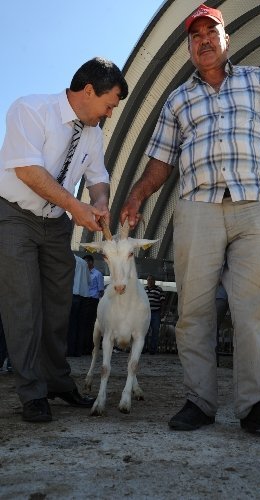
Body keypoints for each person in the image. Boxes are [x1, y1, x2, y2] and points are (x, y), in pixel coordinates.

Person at [120, 4, 260, 437]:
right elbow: (160, 161)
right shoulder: (177, 99)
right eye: (195, 35)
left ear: (227, 40)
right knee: (195, 310)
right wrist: (136, 195)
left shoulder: (257, 80)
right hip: (196, 208)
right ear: (188, 47)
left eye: (212, 32)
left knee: (256, 305)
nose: (203, 40)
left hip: (252, 205)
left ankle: (256, 404)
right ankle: (199, 402)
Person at [0, 57, 128, 422]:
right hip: (13, 216)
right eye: (109, 104)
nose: (109, 114)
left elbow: (97, 175)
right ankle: (31, 392)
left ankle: (57, 381)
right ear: (89, 91)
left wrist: (100, 200)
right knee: (23, 305)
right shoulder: (30, 109)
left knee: (59, 305)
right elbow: (28, 170)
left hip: (55, 224)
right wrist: (75, 205)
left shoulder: (93, 132)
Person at [67, 255, 91, 357]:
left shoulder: (68, 259)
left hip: (73, 294)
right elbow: (89, 281)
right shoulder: (83, 262)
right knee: (81, 325)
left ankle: (70, 350)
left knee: (71, 324)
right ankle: (78, 351)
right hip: (84, 297)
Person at [82, 254, 104, 355]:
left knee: (90, 325)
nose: (84, 264)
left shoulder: (98, 274)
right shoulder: (84, 273)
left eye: (85, 262)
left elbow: (101, 291)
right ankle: (83, 345)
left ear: (90, 262)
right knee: (84, 324)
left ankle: (90, 347)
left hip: (93, 301)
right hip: (84, 299)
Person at [144, 275, 165, 354]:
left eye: (151, 280)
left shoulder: (159, 289)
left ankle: (153, 350)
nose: (149, 281)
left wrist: (162, 312)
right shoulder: (144, 289)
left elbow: (162, 302)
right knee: (144, 331)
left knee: (155, 332)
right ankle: (143, 349)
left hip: (156, 313)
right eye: (148, 280)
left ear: (154, 281)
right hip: (146, 313)